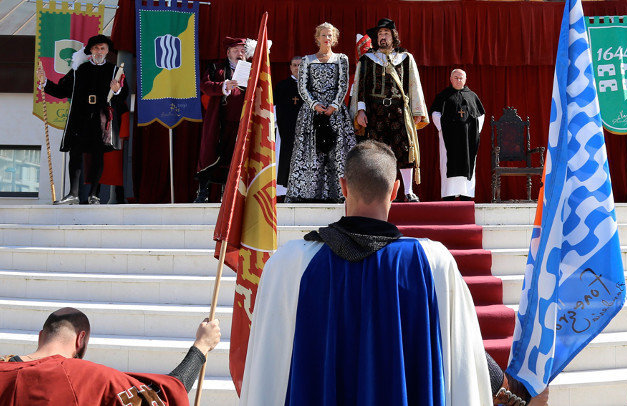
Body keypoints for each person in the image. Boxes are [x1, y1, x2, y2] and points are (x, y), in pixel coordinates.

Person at [240, 141, 547, 406]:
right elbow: (462, 349)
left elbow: (268, 368)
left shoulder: (289, 264)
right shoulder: (431, 263)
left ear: (343, 186)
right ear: (397, 189)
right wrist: (517, 396)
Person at [0, 307, 221, 405]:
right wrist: (202, 346)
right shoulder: (86, 377)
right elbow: (163, 396)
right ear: (81, 340)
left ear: (41, 337)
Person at [37, 34, 128, 205]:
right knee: (75, 153)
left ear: (107, 51)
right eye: (96, 48)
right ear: (90, 51)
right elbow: (62, 91)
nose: (99, 51)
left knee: (98, 155)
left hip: (101, 118)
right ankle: (73, 194)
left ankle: (94, 194)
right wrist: (45, 82)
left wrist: (116, 91)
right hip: (80, 117)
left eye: (102, 48)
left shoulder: (115, 71)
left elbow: (123, 96)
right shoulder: (79, 70)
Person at [350, 18, 429, 202]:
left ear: (393, 36)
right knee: (376, 152)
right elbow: (360, 86)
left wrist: (417, 111)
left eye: (386, 33)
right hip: (374, 111)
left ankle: (408, 192)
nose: (382, 37)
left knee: (404, 150)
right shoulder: (367, 60)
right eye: (379, 34)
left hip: (399, 110)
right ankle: (378, 193)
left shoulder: (405, 58)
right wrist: (360, 111)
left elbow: (414, 85)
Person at [285, 22, 355, 203]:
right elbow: (302, 87)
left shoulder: (342, 59)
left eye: (330, 35)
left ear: (335, 38)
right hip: (312, 113)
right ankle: (308, 194)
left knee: (338, 151)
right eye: (323, 35)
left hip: (335, 113)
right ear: (317, 38)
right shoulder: (307, 60)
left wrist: (334, 105)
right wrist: (314, 104)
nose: (327, 38)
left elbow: (343, 85)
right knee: (311, 152)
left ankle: (340, 193)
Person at [195, 37, 247, 203]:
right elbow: (205, 85)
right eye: (236, 50)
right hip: (219, 120)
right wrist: (223, 86)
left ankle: (228, 196)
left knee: (234, 157)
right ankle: (203, 193)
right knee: (209, 154)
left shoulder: (251, 70)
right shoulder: (216, 68)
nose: (239, 53)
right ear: (228, 52)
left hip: (240, 121)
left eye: (242, 50)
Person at [431, 69, 485, 201]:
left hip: (468, 139)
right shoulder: (444, 95)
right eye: (456, 77)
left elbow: (481, 115)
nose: (458, 80)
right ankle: (449, 195)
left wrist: (474, 129)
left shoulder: (472, 96)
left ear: (465, 79)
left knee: (469, 163)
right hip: (449, 139)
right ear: (450, 79)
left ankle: (466, 194)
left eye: (461, 78)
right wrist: (443, 128)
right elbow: (435, 114)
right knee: (447, 164)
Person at [274, 56, 302, 196]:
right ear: (290, 67)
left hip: (305, 131)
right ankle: (284, 191)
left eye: (300, 65)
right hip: (285, 131)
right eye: (295, 65)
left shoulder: (310, 86)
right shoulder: (281, 85)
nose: (297, 68)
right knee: (284, 159)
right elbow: (274, 108)